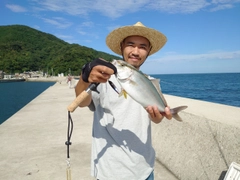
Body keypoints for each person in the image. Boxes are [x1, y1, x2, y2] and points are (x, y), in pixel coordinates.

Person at [75, 22, 172, 180]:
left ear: (148, 52)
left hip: (144, 168)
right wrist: (85, 77)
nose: (135, 51)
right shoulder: (103, 77)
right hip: (110, 170)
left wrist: (158, 117)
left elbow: (159, 116)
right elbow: (82, 102)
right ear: (122, 47)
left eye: (142, 46)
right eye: (130, 44)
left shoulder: (152, 82)